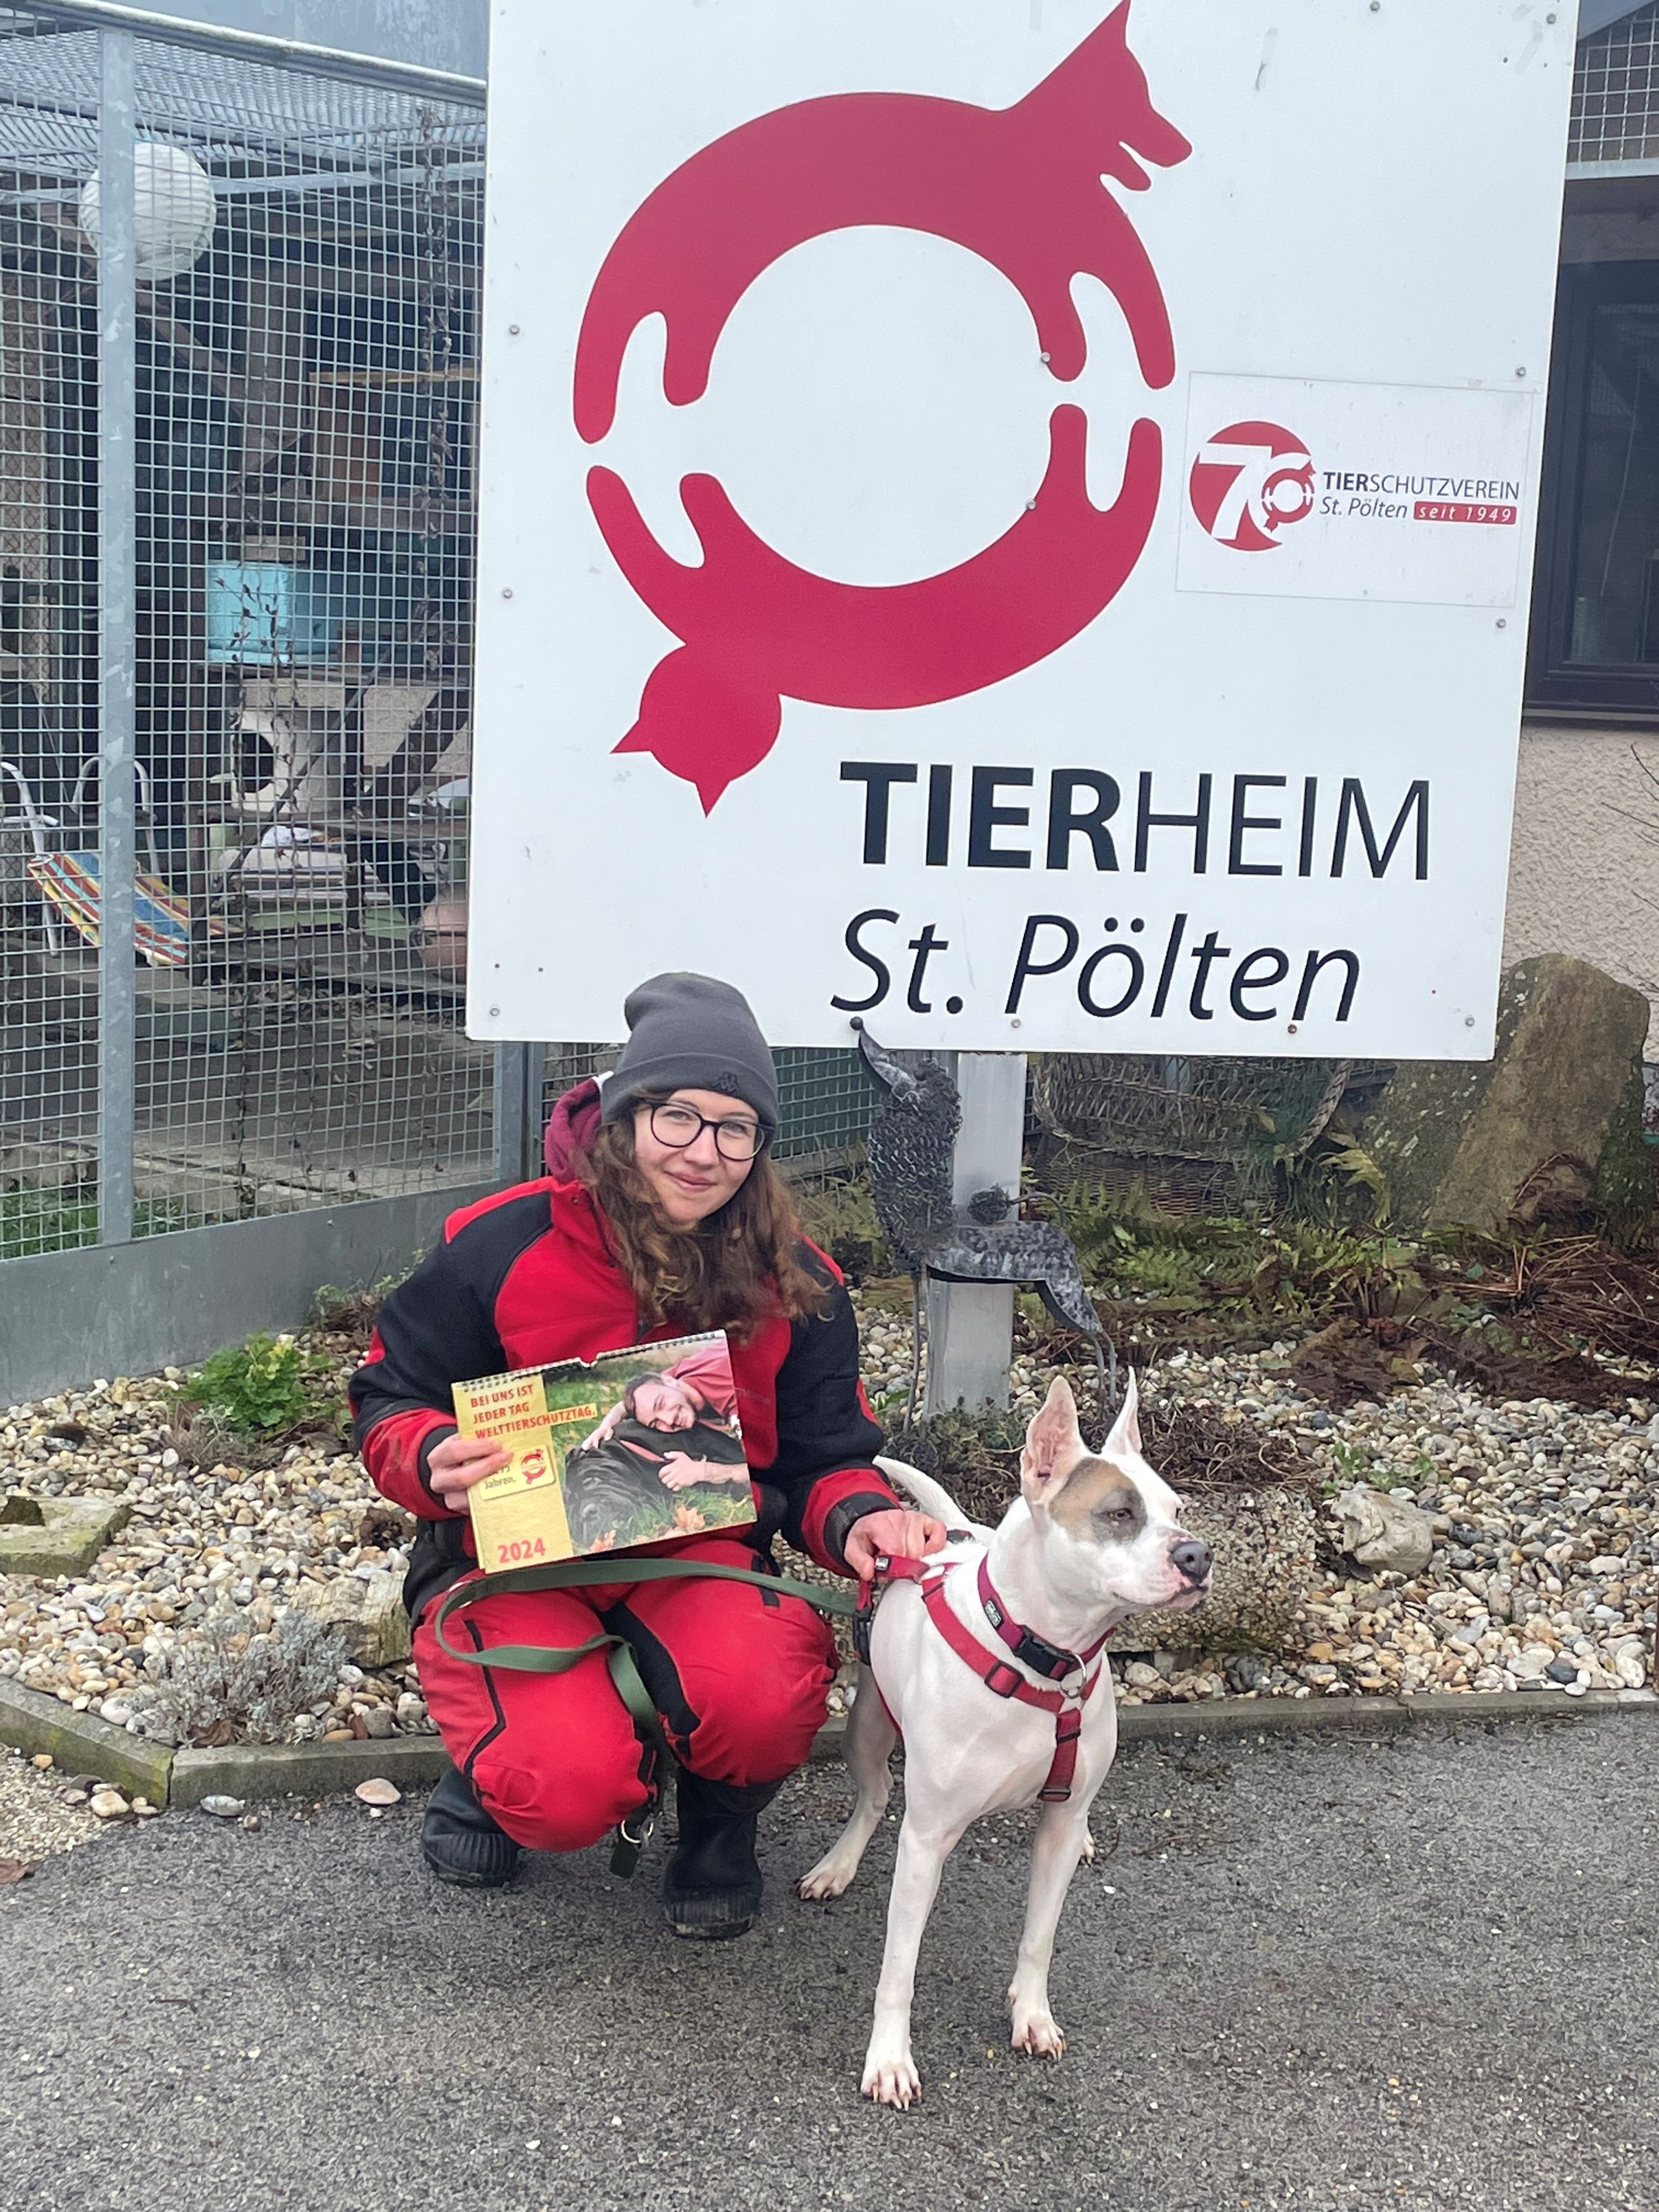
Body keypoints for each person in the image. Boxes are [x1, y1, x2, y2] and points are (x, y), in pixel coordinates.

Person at [349, 972, 945, 1937]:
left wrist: (860, 1513)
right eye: (680, 1117)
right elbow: (388, 1397)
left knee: (760, 1693)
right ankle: (492, 1770)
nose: (705, 1153)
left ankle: (719, 1821)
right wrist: (429, 1456)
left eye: (736, 1127)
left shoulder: (801, 1282)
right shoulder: (495, 1246)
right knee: (561, 1788)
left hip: (694, 1551)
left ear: (760, 1144)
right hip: (512, 1562)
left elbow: (828, 1455)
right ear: (626, 1117)